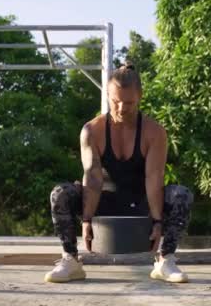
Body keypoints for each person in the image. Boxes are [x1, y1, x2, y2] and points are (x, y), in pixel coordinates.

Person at [44, 62, 193, 283]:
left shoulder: (154, 132)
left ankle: (165, 260)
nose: (121, 108)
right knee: (61, 193)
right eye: (115, 101)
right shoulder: (92, 130)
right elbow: (92, 177)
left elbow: (154, 177)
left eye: (129, 102)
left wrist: (157, 222)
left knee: (181, 194)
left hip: (141, 201)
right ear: (107, 95)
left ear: (140, 96)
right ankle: (71, 260)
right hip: (102, 201)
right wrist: (86, 220)